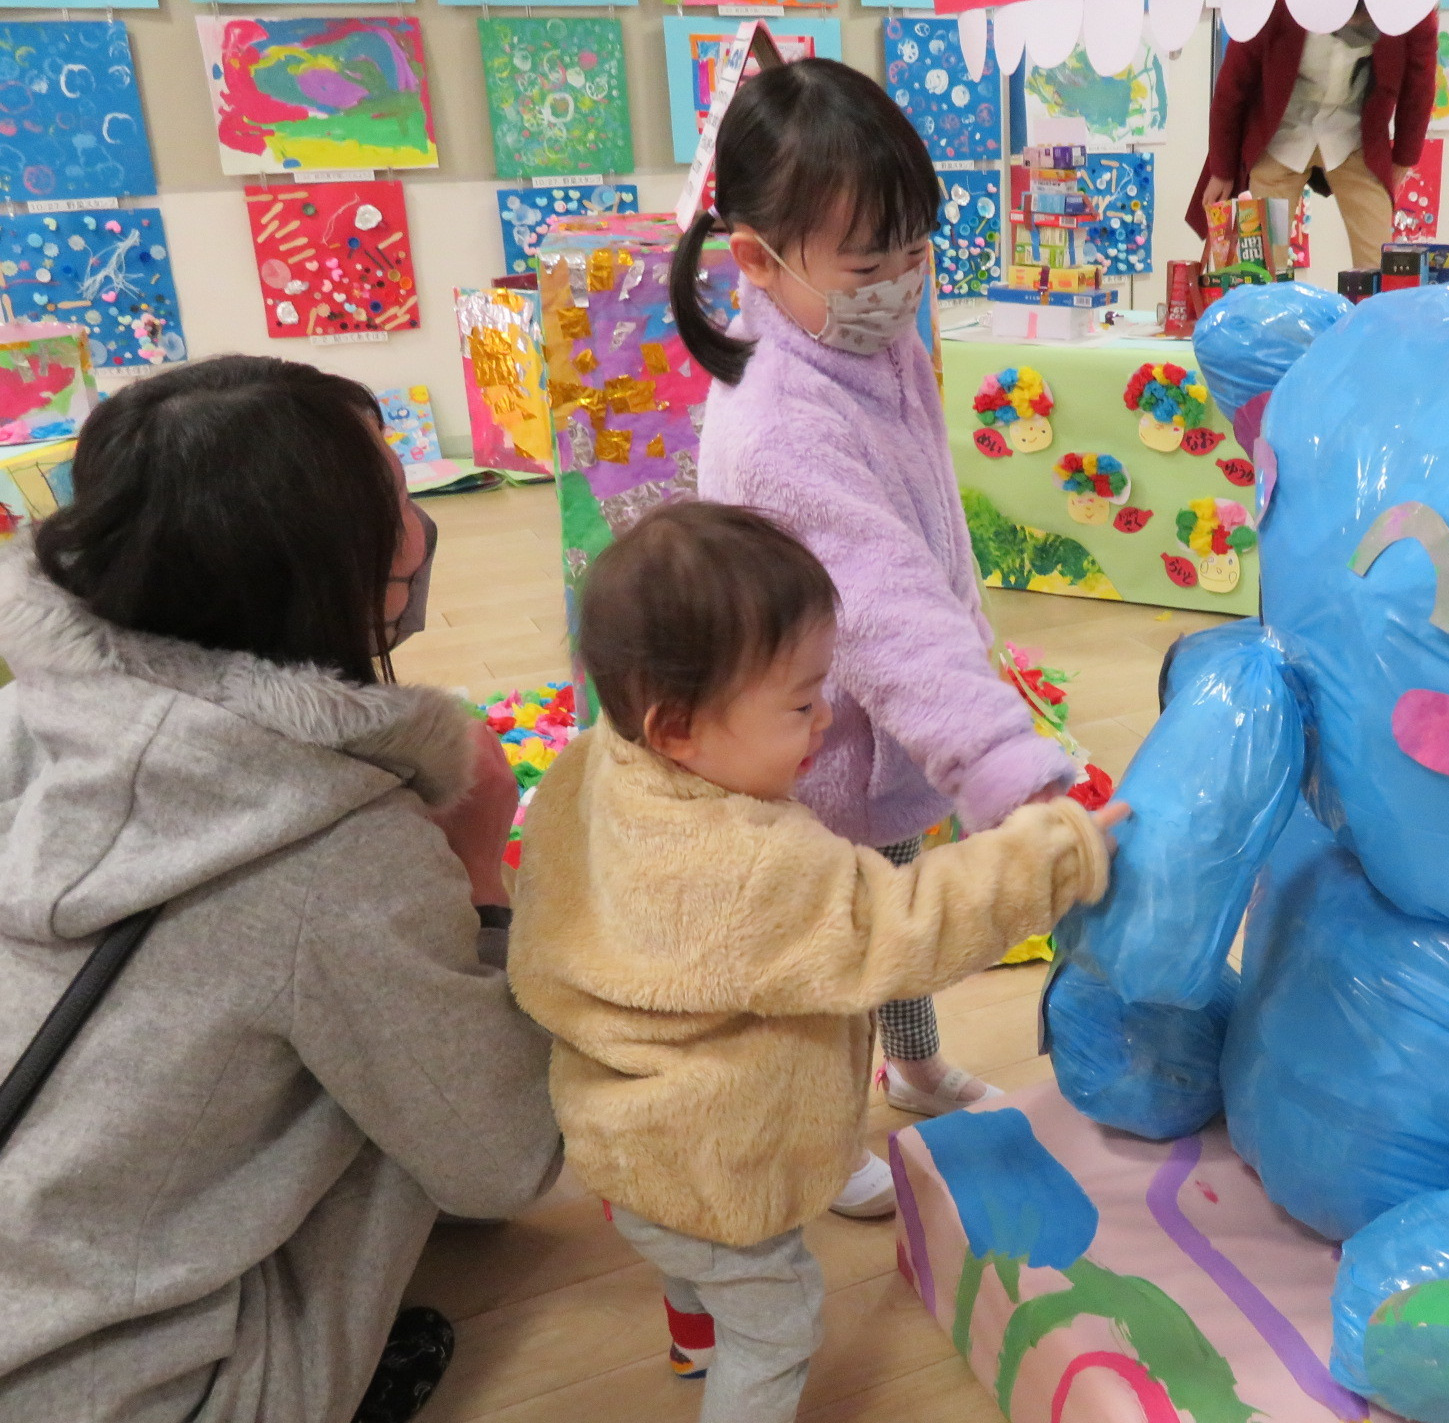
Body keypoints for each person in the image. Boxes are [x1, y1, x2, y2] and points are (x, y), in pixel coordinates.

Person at [0, 357, 562, 1423]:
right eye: (393, 498)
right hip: (138, 1393)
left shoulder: (27, 718)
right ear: (322, 570)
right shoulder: (341, 853)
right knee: (399, 1083)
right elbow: (506, 1159)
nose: (415, 525)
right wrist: (481, 875)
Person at [508, 501, 1121, 1422]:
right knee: (779, 1318)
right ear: (675, 727)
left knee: (687, 1258)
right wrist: (1053, 851)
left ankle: (692, 1336)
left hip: (616, 1127)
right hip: (723, 1164)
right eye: (800, 703)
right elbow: (906, 924)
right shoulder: (759, 864)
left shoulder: (587, 767)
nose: (826, 716)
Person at [673, 58, 1080, 1194]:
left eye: (915, 254)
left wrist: (982, 646)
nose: (902, 285)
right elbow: (884, 611)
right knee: (829, 958)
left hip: (877, 735)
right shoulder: (775, 427)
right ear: (754, 259)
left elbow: (923, 528)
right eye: (870, 263)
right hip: (801, 747)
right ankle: (814, 1132)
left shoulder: (865, 337)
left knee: (895, 909)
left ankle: (913, 1070)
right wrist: (1008, 767)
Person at [1189, 2, 1440, 271]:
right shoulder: (1273, 7)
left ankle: (1373, 311)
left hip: (1354, 135)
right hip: (1280, 134)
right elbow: (1232, 85)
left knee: (1379, 260)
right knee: (1260, 265)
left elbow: (1420, 83)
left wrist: (1403, 158)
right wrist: (1222, 170)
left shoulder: (1412, 10)